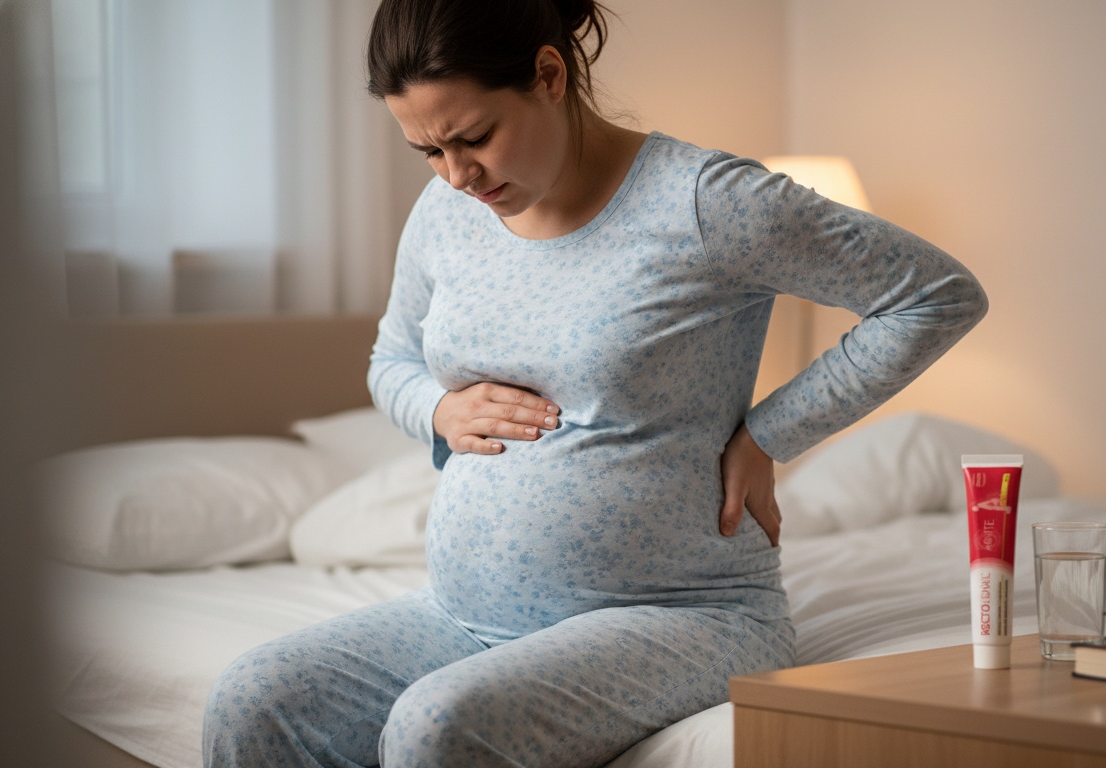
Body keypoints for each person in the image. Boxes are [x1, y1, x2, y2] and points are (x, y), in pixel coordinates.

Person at [202, 0, 987, 765]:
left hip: (681, 614)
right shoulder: (447, 210)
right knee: (254, 697)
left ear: (548, 75)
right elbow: (392, 360)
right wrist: (437, 409)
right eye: (428, 152)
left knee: (436, 728)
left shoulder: (708, 203)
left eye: (475, 138)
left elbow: (934, 296)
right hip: (462, 617)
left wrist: (768, 433)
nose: (456, 175)